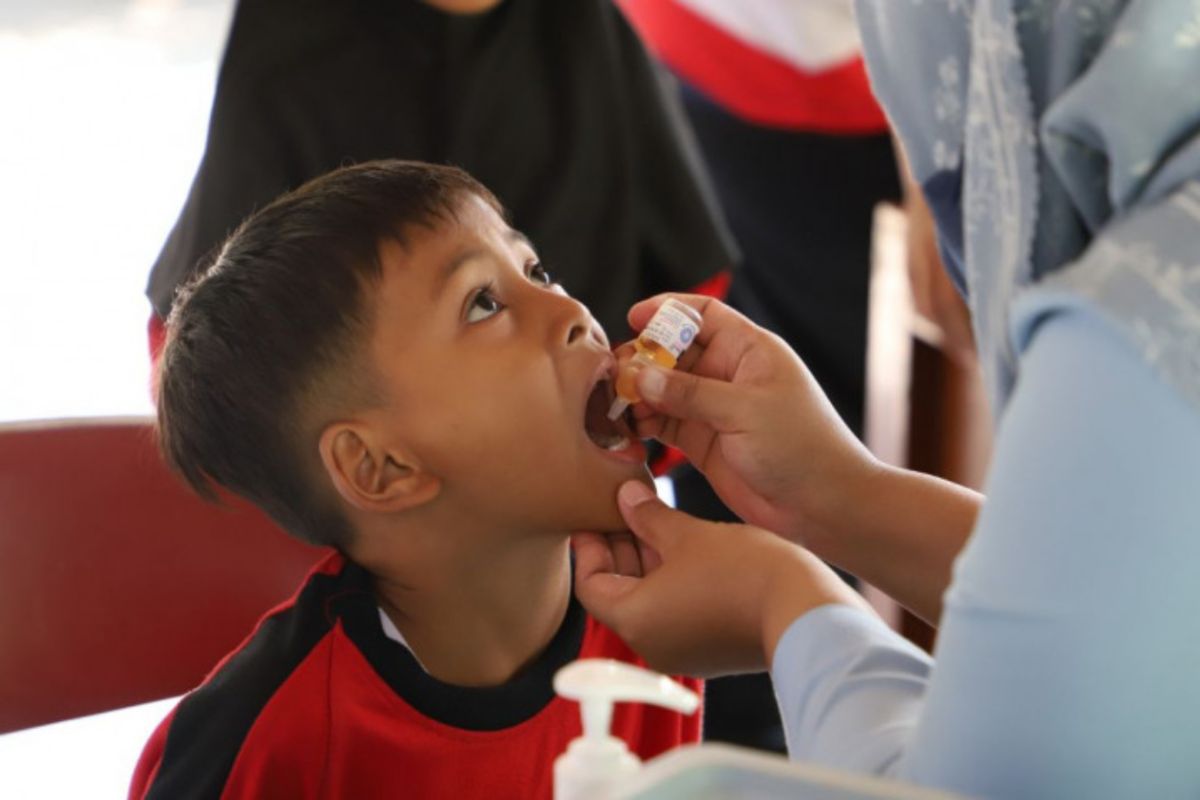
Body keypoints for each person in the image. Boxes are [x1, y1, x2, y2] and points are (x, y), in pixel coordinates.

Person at [574, 1, 1200, 796]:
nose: (567, 318)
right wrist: (841, 494)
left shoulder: (1135, 330)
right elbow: (1123, 608)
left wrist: (781, 598)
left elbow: (994, 779)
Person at [129, 161, 700, 800]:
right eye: (484, 303)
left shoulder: (664, 619)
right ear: (382, 468)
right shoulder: (260, 752)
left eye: (536, 270)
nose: (569, 309)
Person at [145, 0, 735, 360]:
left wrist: (627, 407)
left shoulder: (581, 32)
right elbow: (201, 351)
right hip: (355, 513)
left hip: (570, 505)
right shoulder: (293, 47)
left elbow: (688, 291)